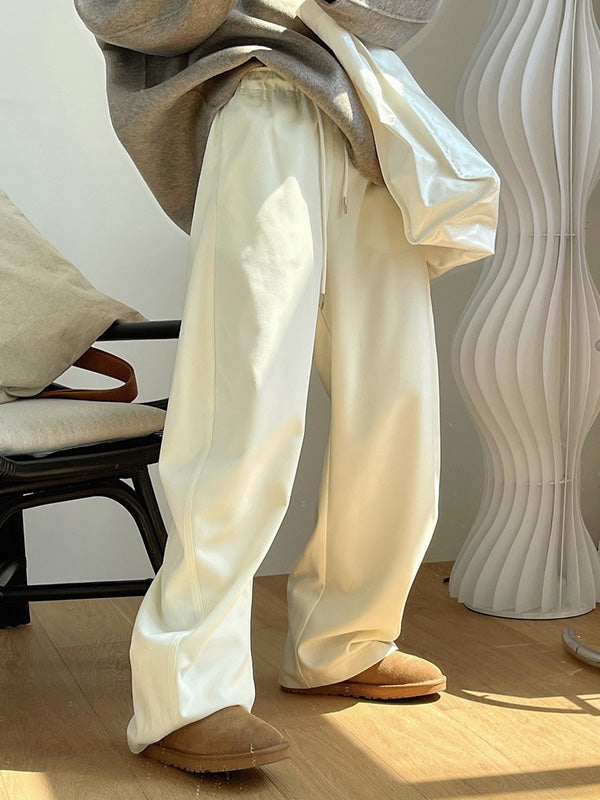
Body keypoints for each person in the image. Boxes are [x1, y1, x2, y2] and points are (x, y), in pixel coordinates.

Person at [74, 0, 479, 775]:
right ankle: (186, 695)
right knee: (243, 401)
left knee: (396, 400)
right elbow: (116, 12)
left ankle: (346, 638)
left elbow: (403, 14)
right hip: (255, 98)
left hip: (370, 120)